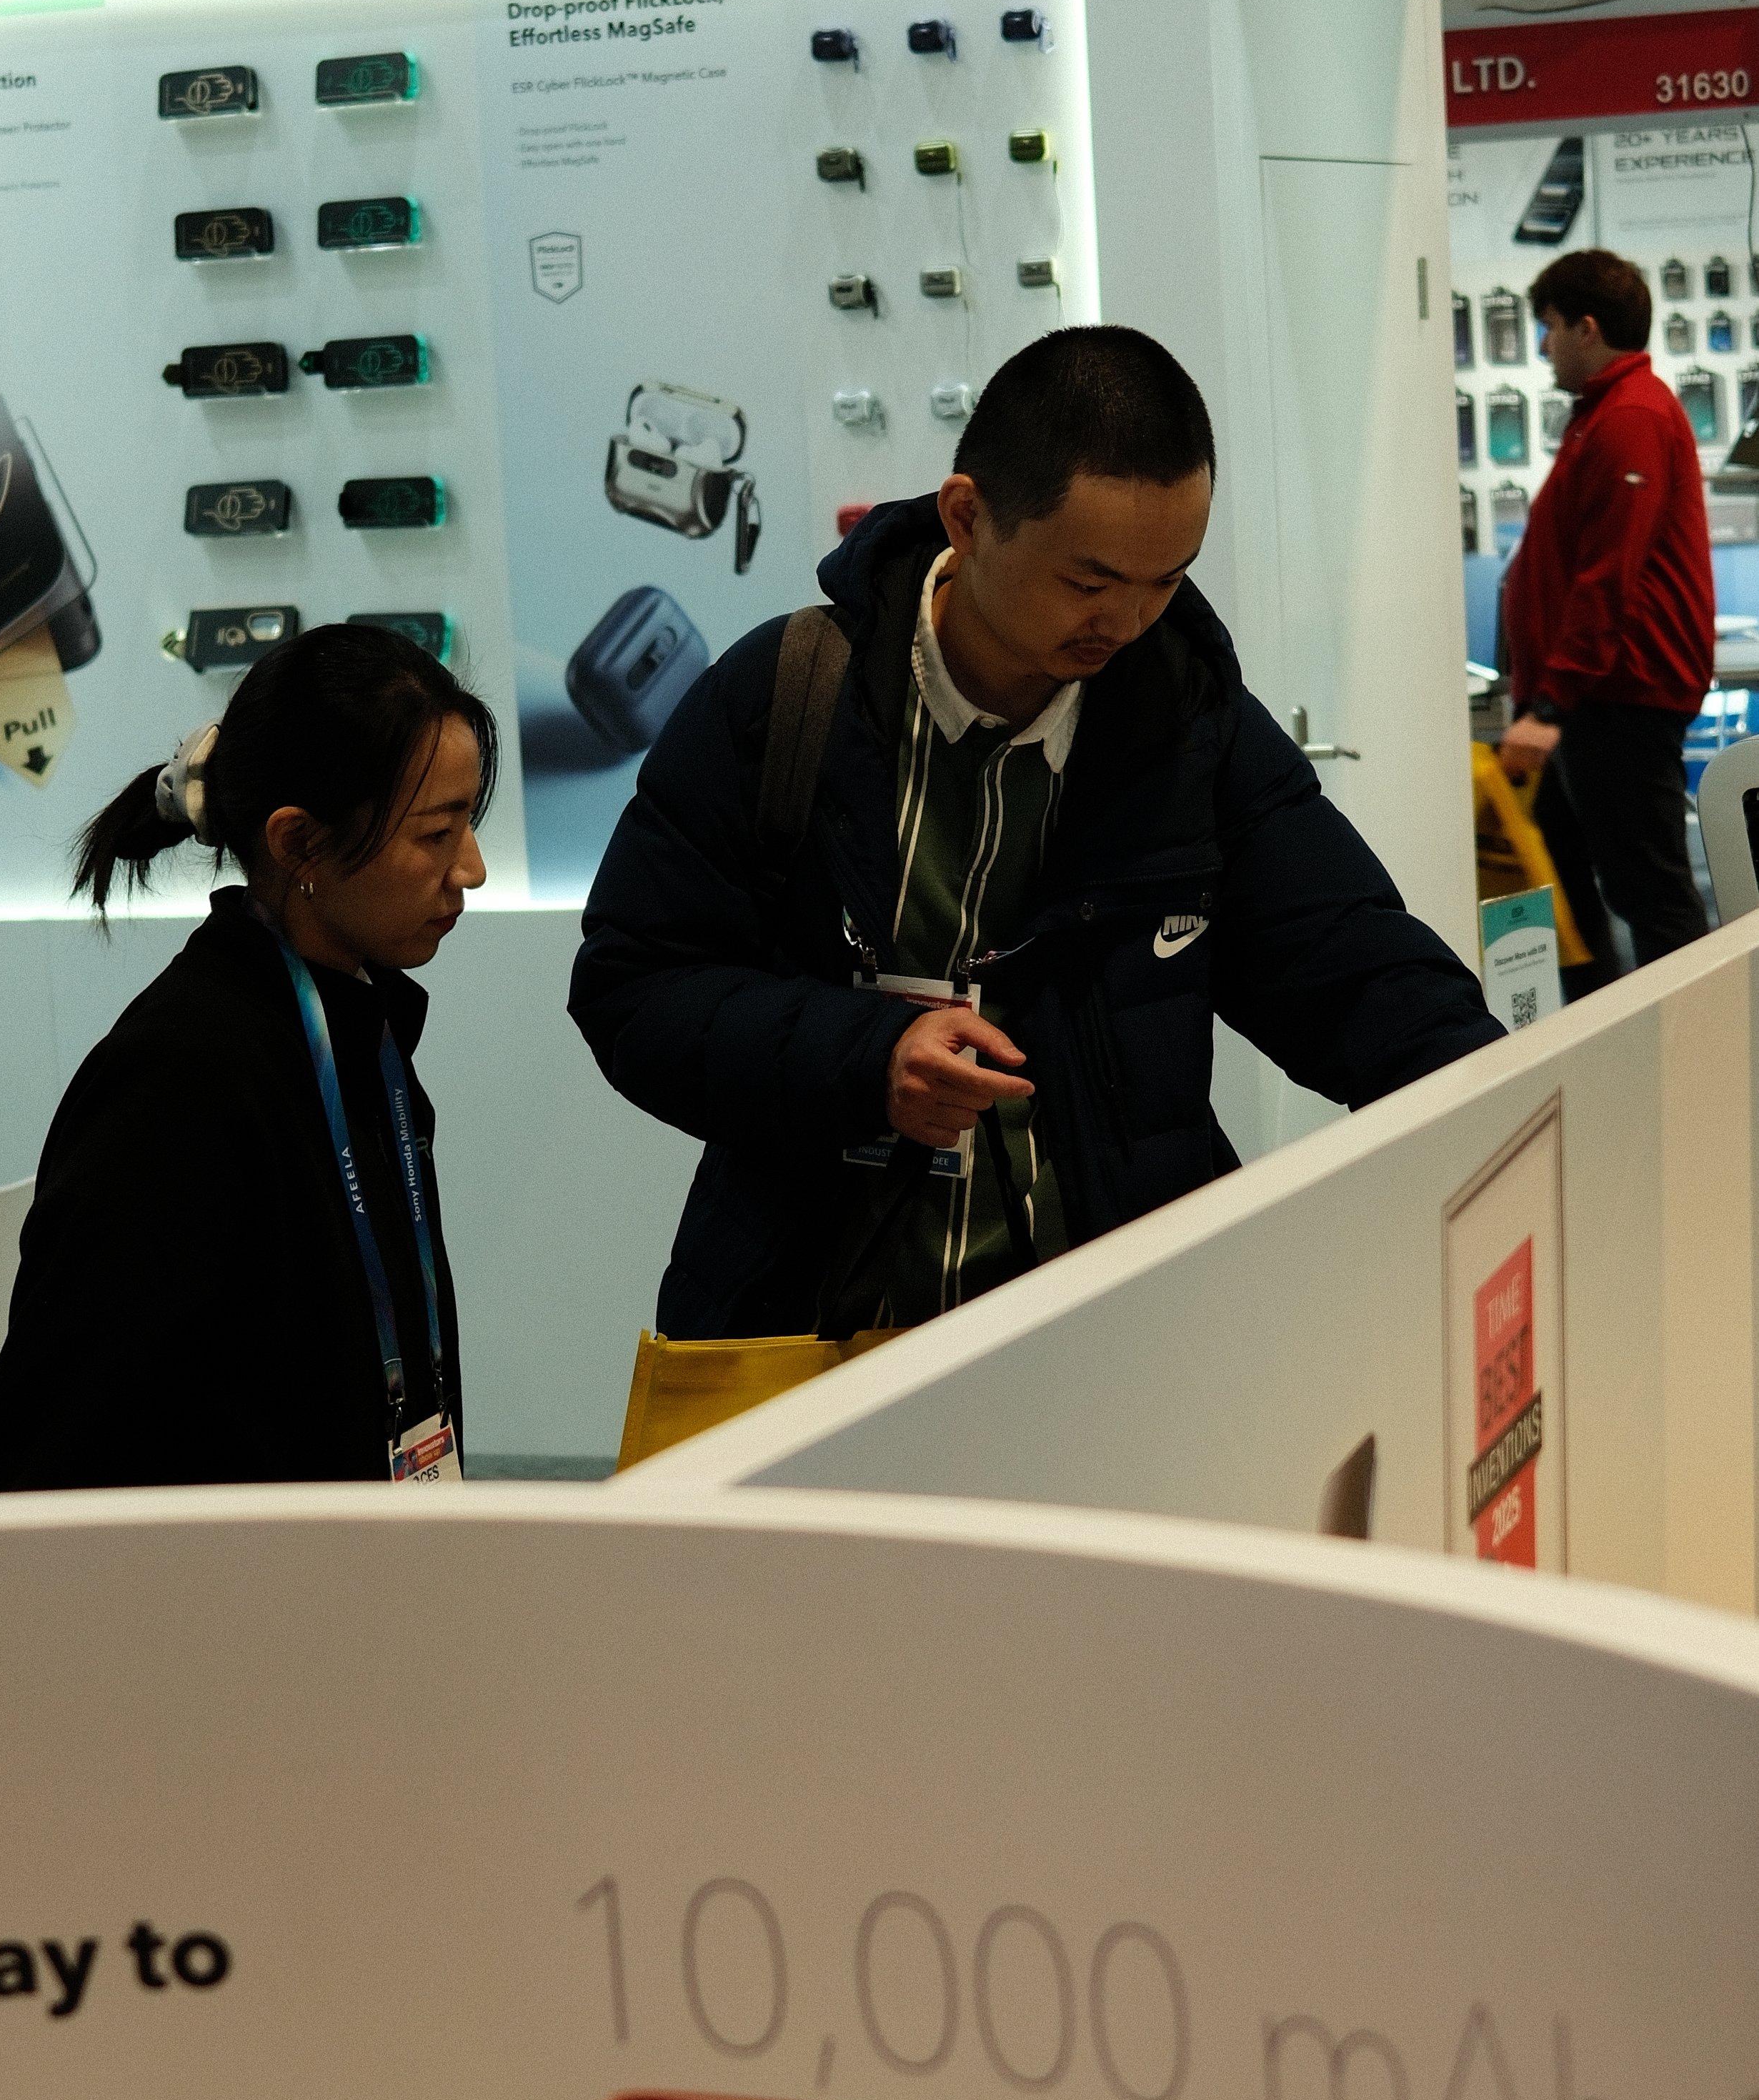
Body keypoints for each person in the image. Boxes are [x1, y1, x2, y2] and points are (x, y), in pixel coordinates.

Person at [570, 325, 1501, 1338]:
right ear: (968, 518)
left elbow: (1354, 970)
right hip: (826, 1337)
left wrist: (1519, 1107)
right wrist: (866, 1058)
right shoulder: (785, 697)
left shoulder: (1187, 725)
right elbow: (637, 985)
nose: (1132, 620)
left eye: (1169, 580)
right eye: (1090, 582)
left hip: (1112, 1342)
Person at [0, 623, 496, 1491]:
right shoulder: (177, 1081)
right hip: (229, 1603)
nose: (471, 870)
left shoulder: (359, 1029)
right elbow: (55, 1455)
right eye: (437, 834)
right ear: (299, 845)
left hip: (364, 1583)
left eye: (467, 825)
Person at [1500, 247, 1715, 985]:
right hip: (1588, 701)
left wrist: (1550, 703)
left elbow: (1606, 578)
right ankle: (1601, 1061)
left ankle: (1697, 1073)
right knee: (1564, 897)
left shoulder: (1630, 417)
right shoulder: (1604, 416)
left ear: (1585, 329)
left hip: (1615, 701)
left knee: (1649, 898)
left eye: (1550, 327)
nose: (1541, 345)